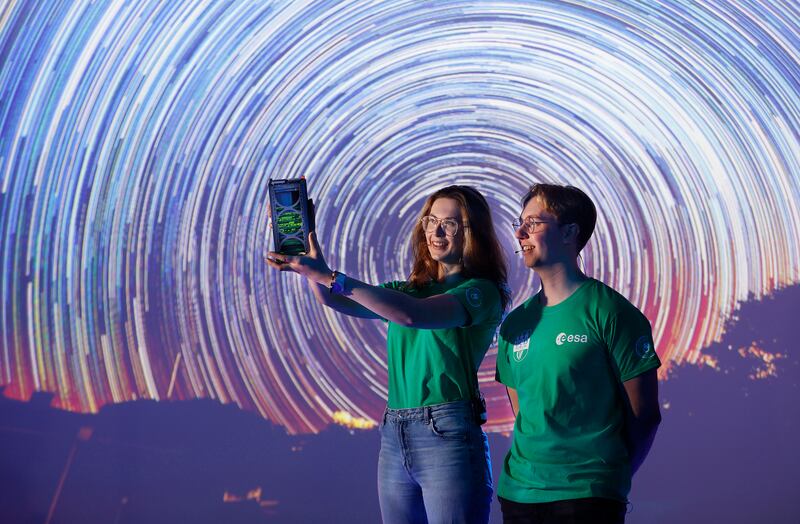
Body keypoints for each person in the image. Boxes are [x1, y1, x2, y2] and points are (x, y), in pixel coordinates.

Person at [267, 185, 510, 524]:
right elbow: (333, 297)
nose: (436, 232)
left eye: (450, 224)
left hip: (448, 435)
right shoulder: (404, 290)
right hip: (394, 433)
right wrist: (312, 267)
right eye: (430, 221)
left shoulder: (481, 292)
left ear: (473, 233)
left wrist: (328, 276)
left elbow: (414, 315)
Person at [495, 183, 662, 524]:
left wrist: (608, 477)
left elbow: (644, 415)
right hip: (519, 495)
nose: (520, 232)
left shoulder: (611, 312)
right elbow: (523, 411)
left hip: (588, 496)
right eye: (520, 222)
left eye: (534, 223)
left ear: (570, 231)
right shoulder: (514, 325)